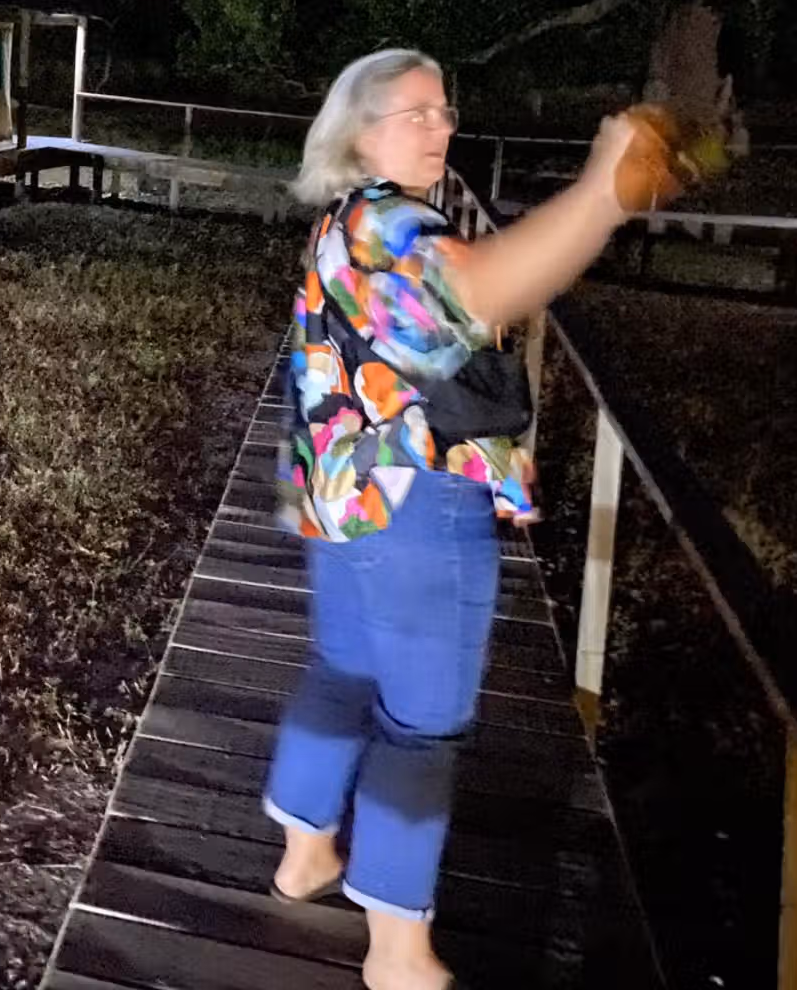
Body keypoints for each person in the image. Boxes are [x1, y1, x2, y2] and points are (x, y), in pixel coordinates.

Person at [265, 48, 639, 990]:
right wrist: (603, 191)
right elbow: (486, 286)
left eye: (445, 111)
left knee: (343, 672)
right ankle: (397, 952)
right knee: (423, 726)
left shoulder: (342, 220)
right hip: (415, 506)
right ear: (361, 132)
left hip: (340, 494)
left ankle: (305, 855)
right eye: (416, 113)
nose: (441, 128)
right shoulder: (395, 225)